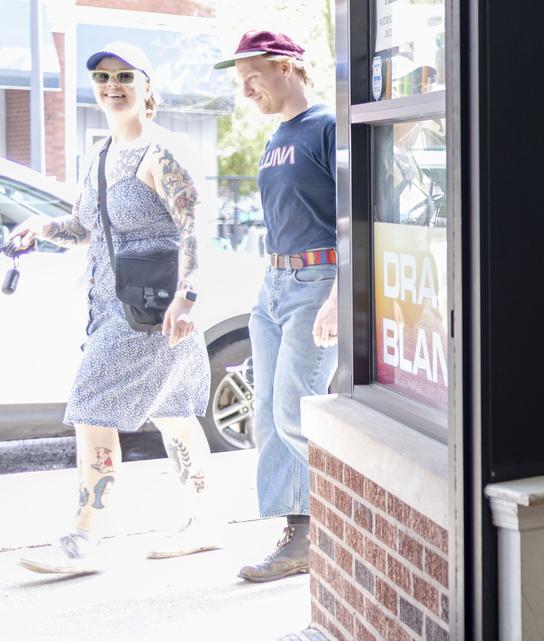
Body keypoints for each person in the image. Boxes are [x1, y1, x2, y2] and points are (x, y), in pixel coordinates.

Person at [13, 42, 221, 575]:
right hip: (112, 306)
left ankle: (84, 537)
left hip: (156, 311)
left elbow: (195, 226)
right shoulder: (102, 154)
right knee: (173, 413)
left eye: (125, 75)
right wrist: (44, 227)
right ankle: (205, 520)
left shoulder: (163, 152)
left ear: (147, 86)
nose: (112, 85)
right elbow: (86, 230)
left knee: (90, 402)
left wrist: (188, 295)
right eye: (103, 77)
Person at [214, 30, 338, 582]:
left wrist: (340, 294)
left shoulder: (329, 127)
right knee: (265, 416)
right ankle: (298, 534)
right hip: (275, 285)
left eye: (252, 77)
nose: (246, 91)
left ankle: (340, 521)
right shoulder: (277, 137)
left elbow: (360, 215)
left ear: (286, 66)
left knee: (295, 411)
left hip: (318, 281)